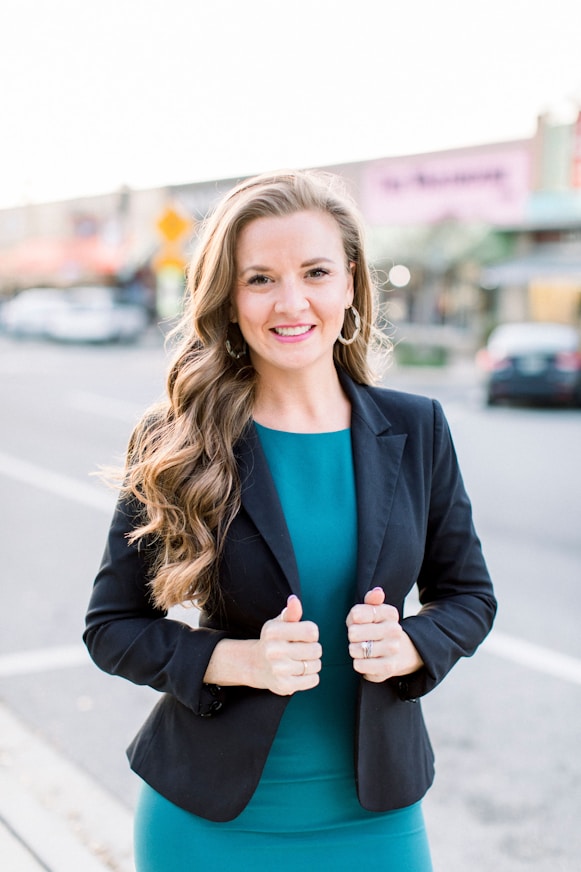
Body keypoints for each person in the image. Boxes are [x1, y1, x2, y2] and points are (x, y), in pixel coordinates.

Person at [84, 169, 497, 871]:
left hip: (375, 822)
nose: (291, 301)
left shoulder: (416, 427)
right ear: (230, 297)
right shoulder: (177, 436)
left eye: (313, 272)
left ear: (349, 283)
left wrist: (413, 645)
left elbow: (469, 597)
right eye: (260, 279)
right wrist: (234, 660)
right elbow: (111, 627)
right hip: (210, 825)